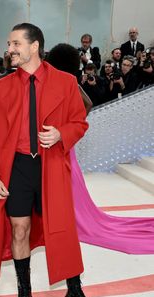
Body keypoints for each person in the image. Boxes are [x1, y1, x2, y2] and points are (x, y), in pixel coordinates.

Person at [0, 23, 99, 297]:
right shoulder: (0, 87)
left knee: (62, 230)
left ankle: (74, 291)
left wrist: (61, 133)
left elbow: (79, 122)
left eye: (16, 44)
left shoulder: (66, 82)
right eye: (9, 44)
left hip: (51, 167)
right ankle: (24, 292)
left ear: (34, 46)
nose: (9, 49)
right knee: (19, 229)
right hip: (15, 168)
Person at [46, 43, 154, 257]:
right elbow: (86, 104)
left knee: (65, 189)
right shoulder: (70, 83)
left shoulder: (60, 85)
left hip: (59, 147)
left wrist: (62, 128)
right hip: (66, 146)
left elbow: (85, 104)